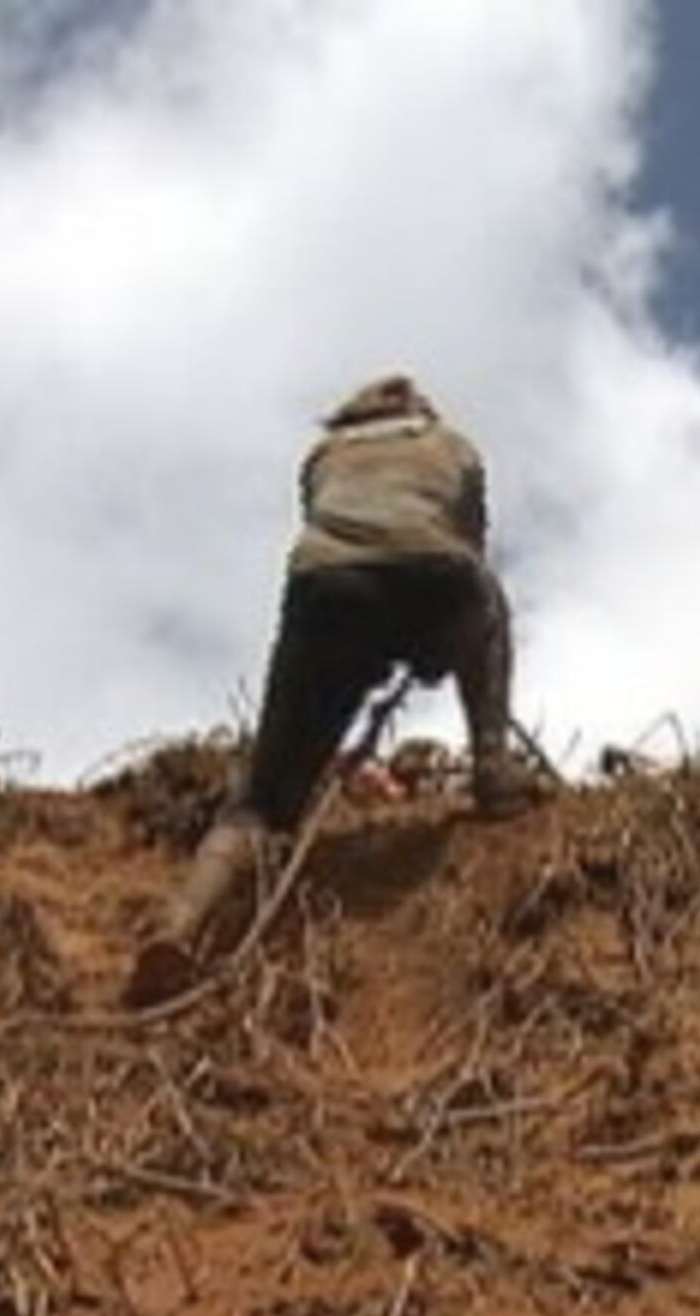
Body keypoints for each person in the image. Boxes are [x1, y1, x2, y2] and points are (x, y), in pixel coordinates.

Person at [126, 375, 543, 1010]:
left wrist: (366, 656)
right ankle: (493, 768)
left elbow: (346, 545)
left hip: (326, 590)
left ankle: (176, 928)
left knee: (262, 801)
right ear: (420, 414)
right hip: (438, 573)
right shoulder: (454, 447)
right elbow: (466, 541)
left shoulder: (324, 456)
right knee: (482, 606)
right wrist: (428, 647)